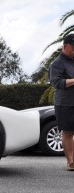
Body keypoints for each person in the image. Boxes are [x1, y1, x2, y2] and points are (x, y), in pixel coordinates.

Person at [49, 33, 74, 171]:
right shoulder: (56, 63)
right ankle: (70, 162)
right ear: (65, 46)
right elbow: (56, 82)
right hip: (65, 104)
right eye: (73, 47)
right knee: (68, 132)